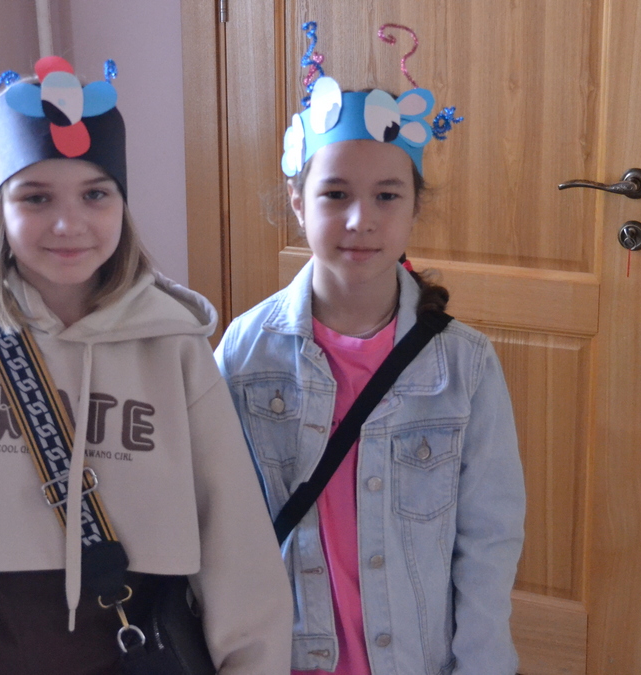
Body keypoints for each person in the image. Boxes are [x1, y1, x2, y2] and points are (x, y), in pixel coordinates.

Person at [0, 55, 292, 675]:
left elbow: (238, 550)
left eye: (95, 194)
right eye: (36, 197)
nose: (69, 223)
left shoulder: (175, 350)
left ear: (122, 204)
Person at [215, 23, 525, 675]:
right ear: (297, 202)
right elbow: (215, 524)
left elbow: (489, 539)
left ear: (415, 207)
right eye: (335, 194)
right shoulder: (245, 353)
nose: (362, 219)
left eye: (387, 195)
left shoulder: (464, 366)